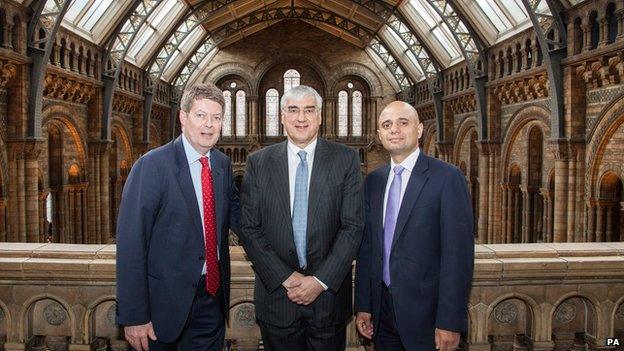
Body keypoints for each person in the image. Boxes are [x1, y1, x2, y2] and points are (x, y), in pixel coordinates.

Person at [116, 83, 240, 351]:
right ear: (183, 118)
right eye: (200, 115)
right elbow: (131, 243)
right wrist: (134, 315)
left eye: (216, 118)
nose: (209, 125)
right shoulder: (151, 166)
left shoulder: (222, 165)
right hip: (164, 307)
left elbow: (240, 217)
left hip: (211, 301)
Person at [239, 85, 363, 351]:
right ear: (282, 116)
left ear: (320, 116)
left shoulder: (346, 159)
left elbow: (352, 226)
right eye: (293, 110)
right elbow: (249, 227)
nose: (301, 118)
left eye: (309, 110)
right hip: (278, 299)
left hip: (329, 301)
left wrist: (319, 281)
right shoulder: (258, 163)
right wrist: (286, 278)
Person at [354, 101, 474, 351]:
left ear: (419, 130)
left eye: (402, 123)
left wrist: (450, 322)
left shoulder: (447, 177)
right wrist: (364, 305)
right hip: (382, 313)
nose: (394, 130)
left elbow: (458, 256)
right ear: (379, 135)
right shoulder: (374, 181)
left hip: (427, 318)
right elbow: (368, 248)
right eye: (387, 125)